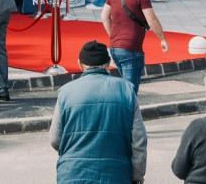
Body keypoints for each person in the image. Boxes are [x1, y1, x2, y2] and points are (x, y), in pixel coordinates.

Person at [49, 40, 146, 184]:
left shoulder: (66, 92)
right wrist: (137, 176)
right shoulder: (126, 90)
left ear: (80, 64)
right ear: (108, 64)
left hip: (72, 175)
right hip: (116, 175)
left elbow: (55, 139)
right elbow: (138, 141)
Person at [101, 0, 169, 93]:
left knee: (125, 87)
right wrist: (162, 38)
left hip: (115, 47)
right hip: (131, 48)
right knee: (130, 91)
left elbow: (104, 16)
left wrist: (113, 35)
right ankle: (128, 112)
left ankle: (125, 110)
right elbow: (151, 19)